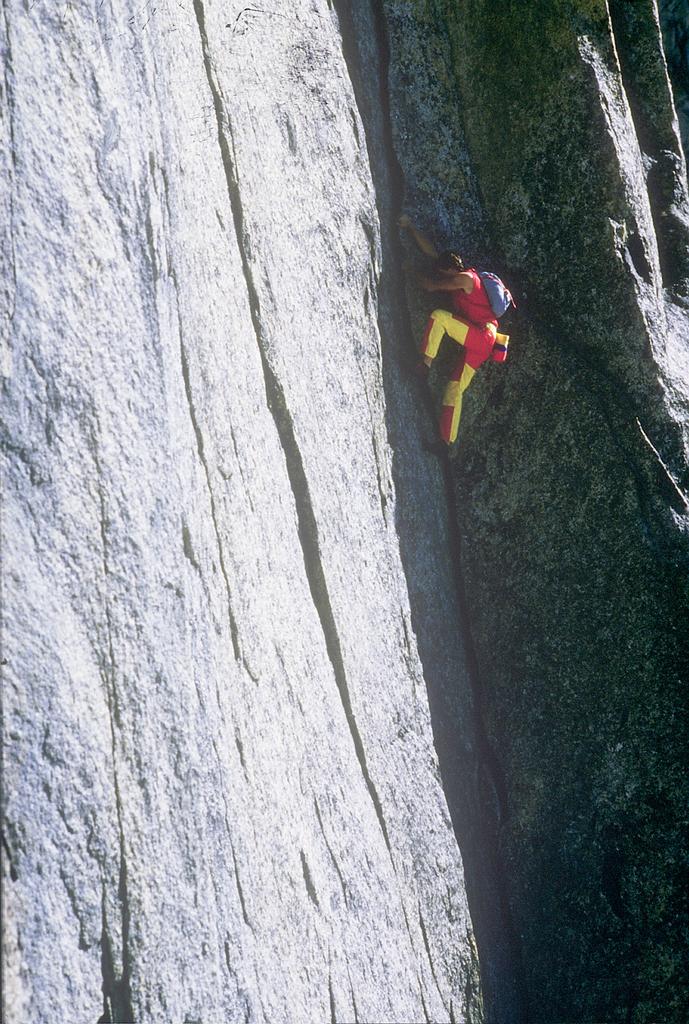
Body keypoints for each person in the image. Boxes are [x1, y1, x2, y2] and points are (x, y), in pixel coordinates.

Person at [399, 215, 509, 451]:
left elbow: (430, 286)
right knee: (454, 388)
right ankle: (444, 441)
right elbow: (432, 253)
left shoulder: (463, 279)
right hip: (485, 339)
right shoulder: (461, 272)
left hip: (481, 336)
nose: (442, 274)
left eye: (443, 271)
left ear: (451, 269)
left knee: (440, 317)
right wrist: (410, 227)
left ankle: (423, 366)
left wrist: (409, 269)